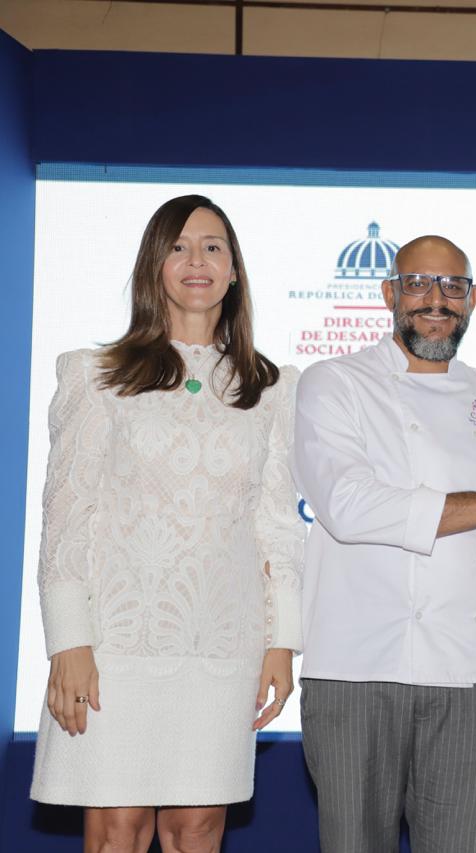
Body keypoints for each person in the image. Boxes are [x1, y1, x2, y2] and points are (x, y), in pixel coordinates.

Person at [30, 194, 302, 851]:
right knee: (116, 830)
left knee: (196, 829)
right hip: (115, 645)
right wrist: (68, 642)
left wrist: (282, 642)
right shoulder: (97, 375)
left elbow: (276, 524)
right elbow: (66, 514)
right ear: (154, 266)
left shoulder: (270, 387)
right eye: (177, 247)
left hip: (223, 645)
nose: (196, 261)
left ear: (234, 270)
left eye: (212, 247)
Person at [292, 235, 476, 853]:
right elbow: (348, 505)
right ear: (390, 293)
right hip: (357, 665)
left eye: (452, 286)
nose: (435, 300)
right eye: (417, 284)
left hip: (469, 669)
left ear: (472, 300)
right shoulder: (334, 382)